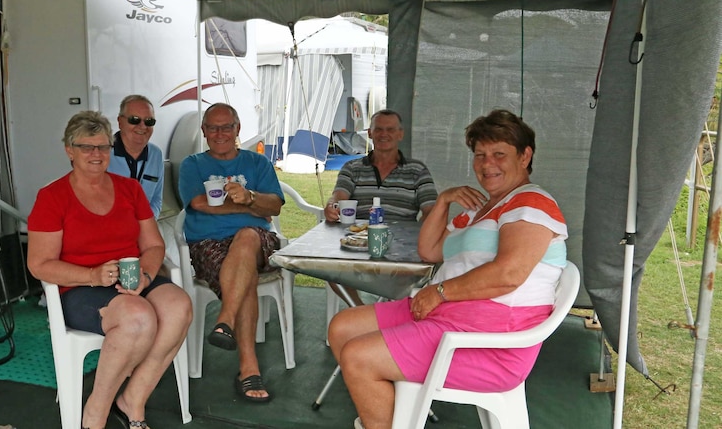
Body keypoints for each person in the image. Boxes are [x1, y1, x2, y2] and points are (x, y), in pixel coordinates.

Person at [328, 109, 568, 429]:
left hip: (490, 341)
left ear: (525, 156)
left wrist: (440, 292)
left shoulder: (531, 202)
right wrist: (444, 201)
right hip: (452, 317)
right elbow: (429, 249)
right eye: (480, 154)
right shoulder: (485, 208)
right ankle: (390, 416)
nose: (486, 164)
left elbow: (508, 274)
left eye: (499, 154)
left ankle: (386, 419)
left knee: (359, 357)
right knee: (342, 327)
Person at [27, 111, 192, 429]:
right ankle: (95, 413)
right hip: (79, 287)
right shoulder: (52, 198)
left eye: (103, 147)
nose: (96, 154)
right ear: (69, 151)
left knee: (179, 306)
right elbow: (39, 264)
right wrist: (91, 275)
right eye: (86, 147)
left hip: (132, 278)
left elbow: (154, 246)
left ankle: (133, 399)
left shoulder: (129, 190)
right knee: (138, 318)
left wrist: (144, 275)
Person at [177, 102, 285, 403]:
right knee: (244, 274)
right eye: (213, 127)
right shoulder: (193, 164)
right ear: (204, 131)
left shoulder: (257, 163)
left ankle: (225, 320)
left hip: (257, 239)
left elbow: (274, 205)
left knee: (248, 237)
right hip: (208, 243)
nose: (220, 133)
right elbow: (198, 203)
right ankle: (249, 369)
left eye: (227, 127)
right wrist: (248, 206)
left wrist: (250, 197)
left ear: (237, 129)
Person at [323, 109, 438, 305]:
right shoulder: (352, 168)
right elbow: (339, 195)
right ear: (370, 133)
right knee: (329, 265)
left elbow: (431, 210)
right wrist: (332, 206)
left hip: (401, 247)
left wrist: (420, 234)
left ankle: (382, 312)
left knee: (423, 270)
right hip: (357, 243)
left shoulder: (417, 170)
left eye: (391, 129)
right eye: (379, 129)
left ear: (400, 134)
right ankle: (361, 310)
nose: (384, 134)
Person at [108, 94, 164, 218]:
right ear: (120, 122)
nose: (143, 126)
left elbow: (156, 200)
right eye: (134, 119)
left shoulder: (156, 155)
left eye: (149, 121)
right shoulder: (102, 153)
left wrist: (145, 223)